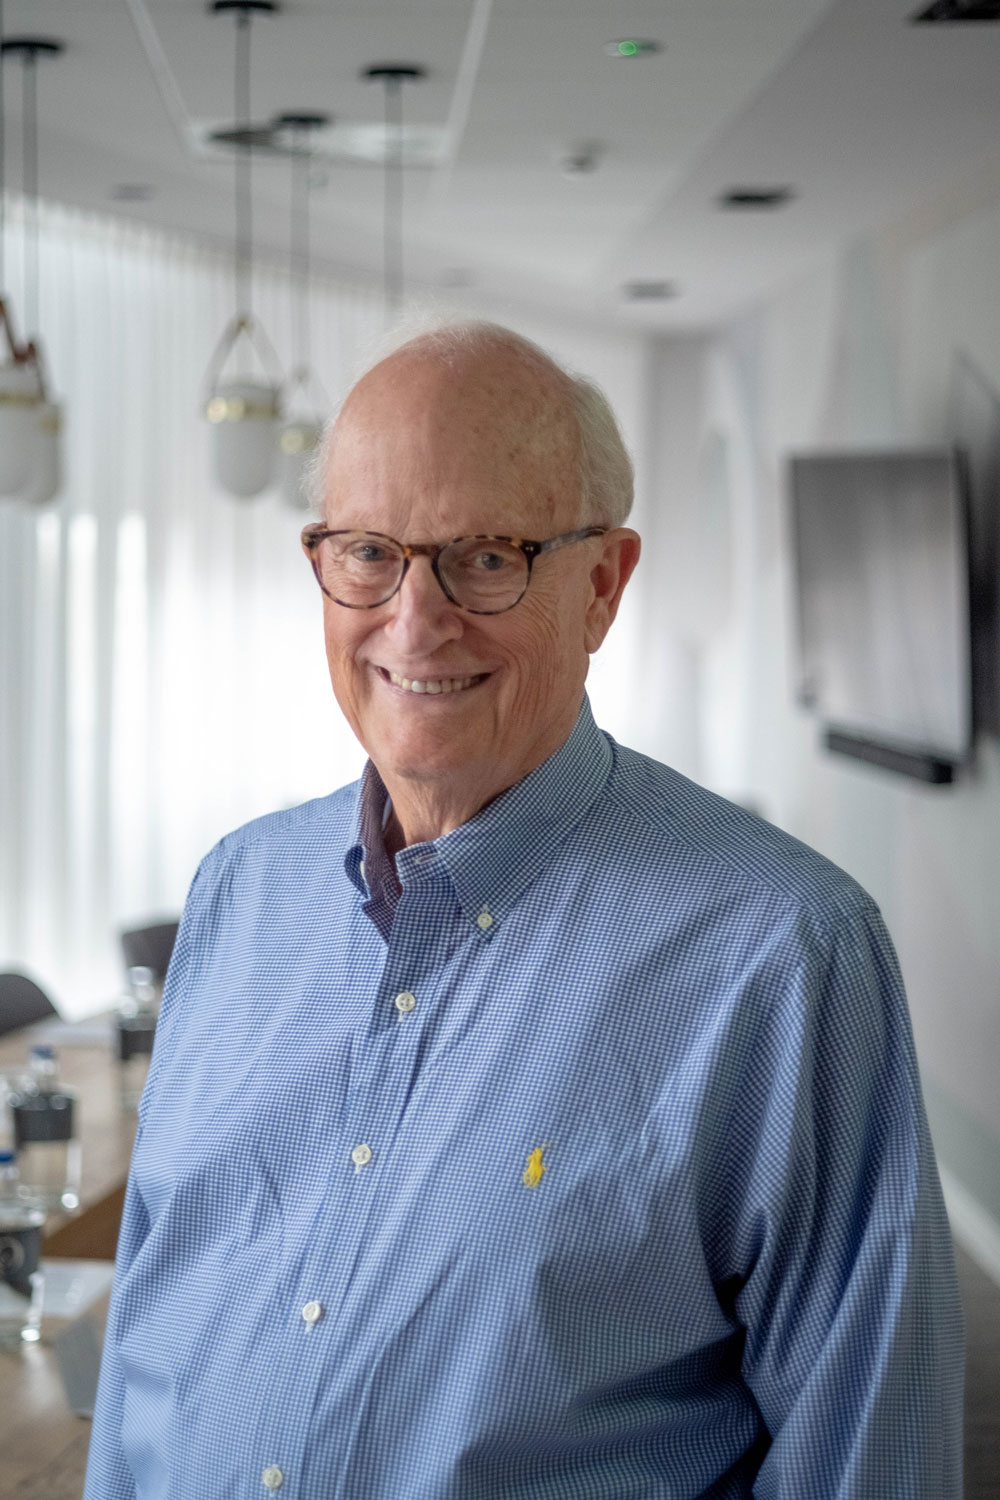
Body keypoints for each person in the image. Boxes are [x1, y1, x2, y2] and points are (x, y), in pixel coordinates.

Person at [85, 321, 963, 1499]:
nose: (413, 618)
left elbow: (865, 1459)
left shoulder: (786, 955)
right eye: (368, 553)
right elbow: (150, 1339)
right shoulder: (235, 894)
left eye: (486, 557)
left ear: (601, 585)